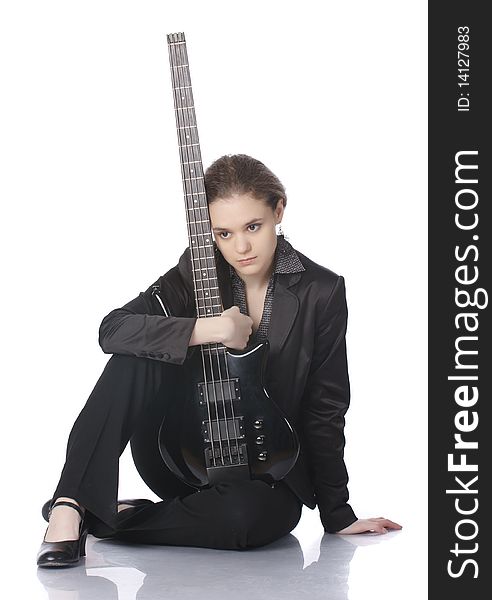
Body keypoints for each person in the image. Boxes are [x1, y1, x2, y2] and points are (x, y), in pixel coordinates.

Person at [37, 154, 401, 568]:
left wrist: (338, 513)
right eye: (223, 233)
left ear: (278, 210)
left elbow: (326, 406)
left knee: (245, 523)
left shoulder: (323, 291)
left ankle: (112, 516)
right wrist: (207, 329)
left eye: (253, 227)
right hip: (179, 455)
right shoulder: (198, 269)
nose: (241, 247)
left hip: (268, 472)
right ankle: (70, 503)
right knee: (134, 358)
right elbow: (113, 330)